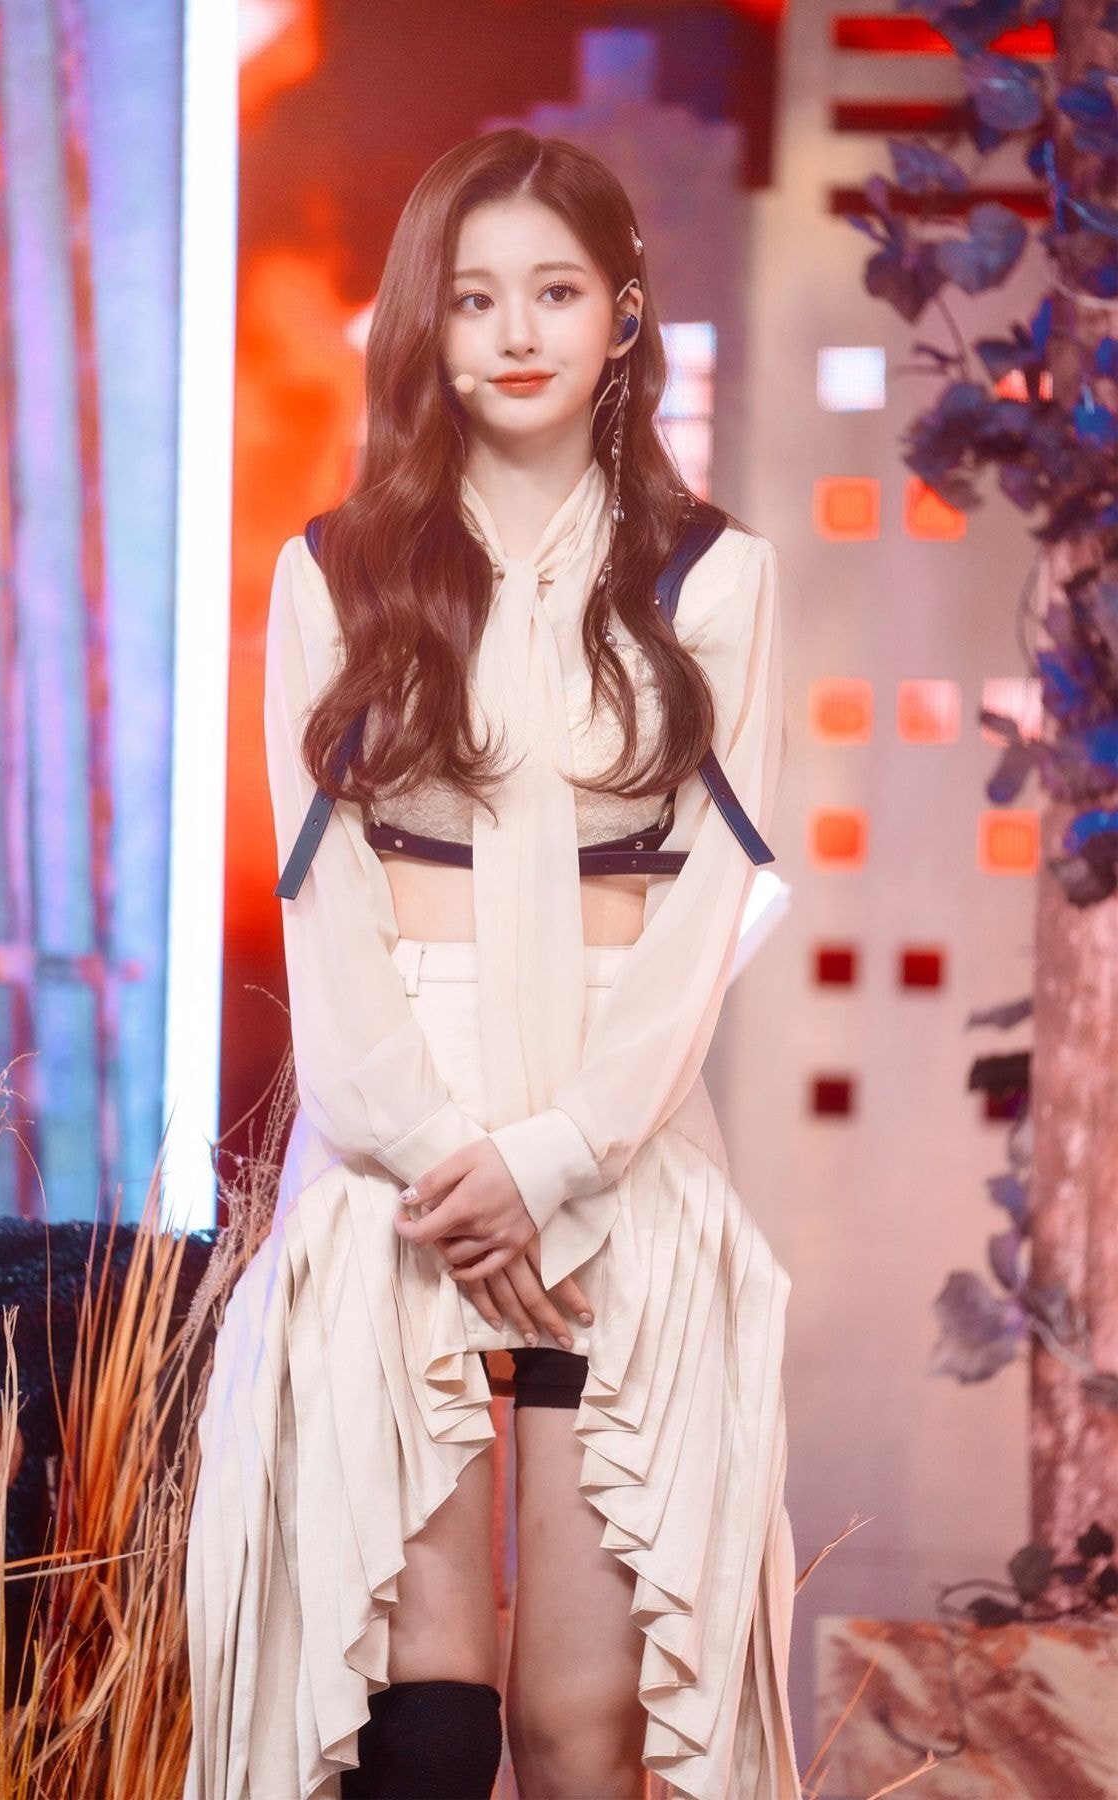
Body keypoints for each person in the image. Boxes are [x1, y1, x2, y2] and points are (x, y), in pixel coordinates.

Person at [185, 128, 802, 1800]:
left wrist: (556, 1159)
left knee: (587, 1720)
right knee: (420, 1707)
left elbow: (708, 907)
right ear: (425, 324)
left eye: (555, 292)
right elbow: (328, 903)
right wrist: (445, 1166)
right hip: (401, 1173)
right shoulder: (333, 575)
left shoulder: (718, 577)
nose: (516, 333)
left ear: (623, 313)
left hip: (623, 1155)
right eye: (473, 298)